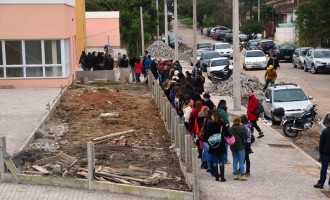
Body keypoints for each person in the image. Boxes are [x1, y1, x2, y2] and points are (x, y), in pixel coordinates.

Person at [205, 111, 227, 182]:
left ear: (214, 117)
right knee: (221, 161)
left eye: (212, 116)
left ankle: (217, 177)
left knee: (214, 161)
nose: (211, 117)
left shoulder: (210, 124)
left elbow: (208, 133)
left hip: (213, 144)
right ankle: (222, 177)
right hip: (221, 143)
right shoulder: (222, 123)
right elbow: (226, 132)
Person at [228, 116, 248, 181]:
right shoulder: (243, 128)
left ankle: (235, 174)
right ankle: (242, 175)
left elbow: (228, 136)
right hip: (241, 146)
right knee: (241, 161)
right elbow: (246, 136)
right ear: (240, 121)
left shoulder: (230, 129)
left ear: (233, 121)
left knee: (235, 160)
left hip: (233, 146)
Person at [314, 120, 330, 189]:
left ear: (328, 124)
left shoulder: (325, 131)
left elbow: (321, 144)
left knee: (324, 169)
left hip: (326, 154)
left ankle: (321, 183)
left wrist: (320, 153)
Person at [217, 100, 230, 164]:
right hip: (224, 131)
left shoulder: (217, 110)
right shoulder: (223, 112)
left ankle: (219, 158)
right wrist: (228, 129)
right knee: (225, 145)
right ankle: (225, 159)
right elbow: (227, 122)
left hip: (218, 131)